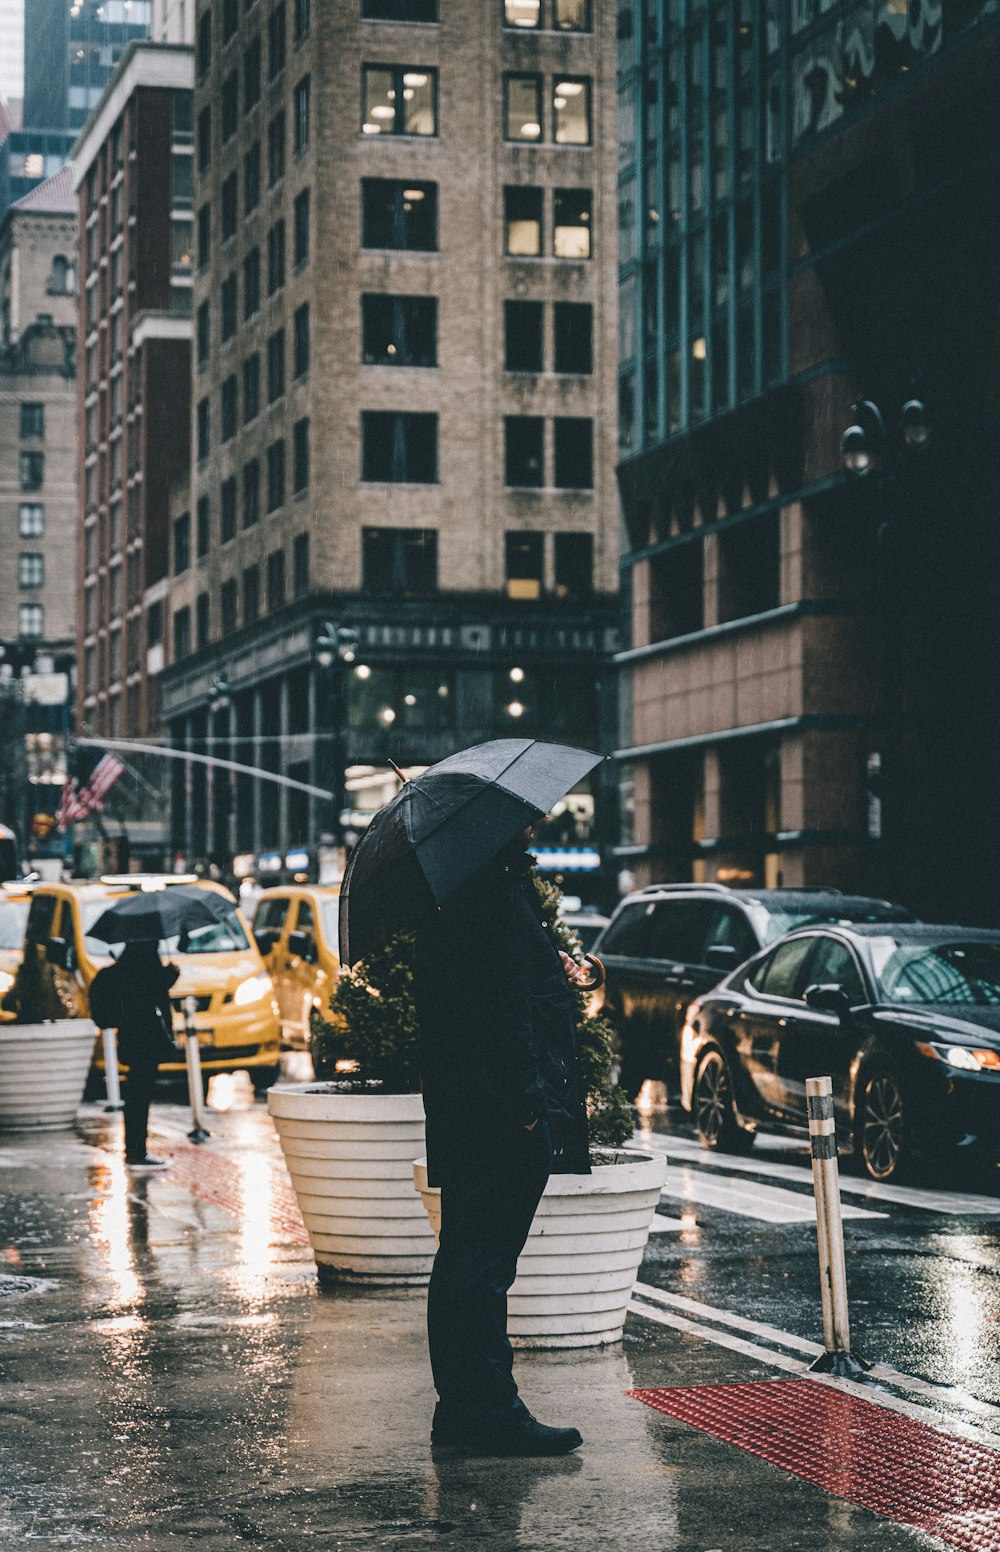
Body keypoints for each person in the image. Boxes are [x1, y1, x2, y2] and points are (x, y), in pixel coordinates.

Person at [414, 827, 590, 1457]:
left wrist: (557, 970)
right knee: (483, 1269)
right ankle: (490, 1411)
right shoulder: (494, 900)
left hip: (464, 1113)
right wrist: (528, 1110)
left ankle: (461, 1410)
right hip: (500, 1118)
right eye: (520, 825)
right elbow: (506, 1014)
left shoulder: (452, 898)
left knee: (462, 1259)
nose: (532, 829)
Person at [89, 941, 179, 1171]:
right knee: (140, 1094)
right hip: (144, 1039)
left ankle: (136, 1148)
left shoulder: (124, 968)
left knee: (137, 1093)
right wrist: (168, 977)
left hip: (131, 1039)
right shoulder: (142, 969)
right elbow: (147, 995)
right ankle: (137, 1150)